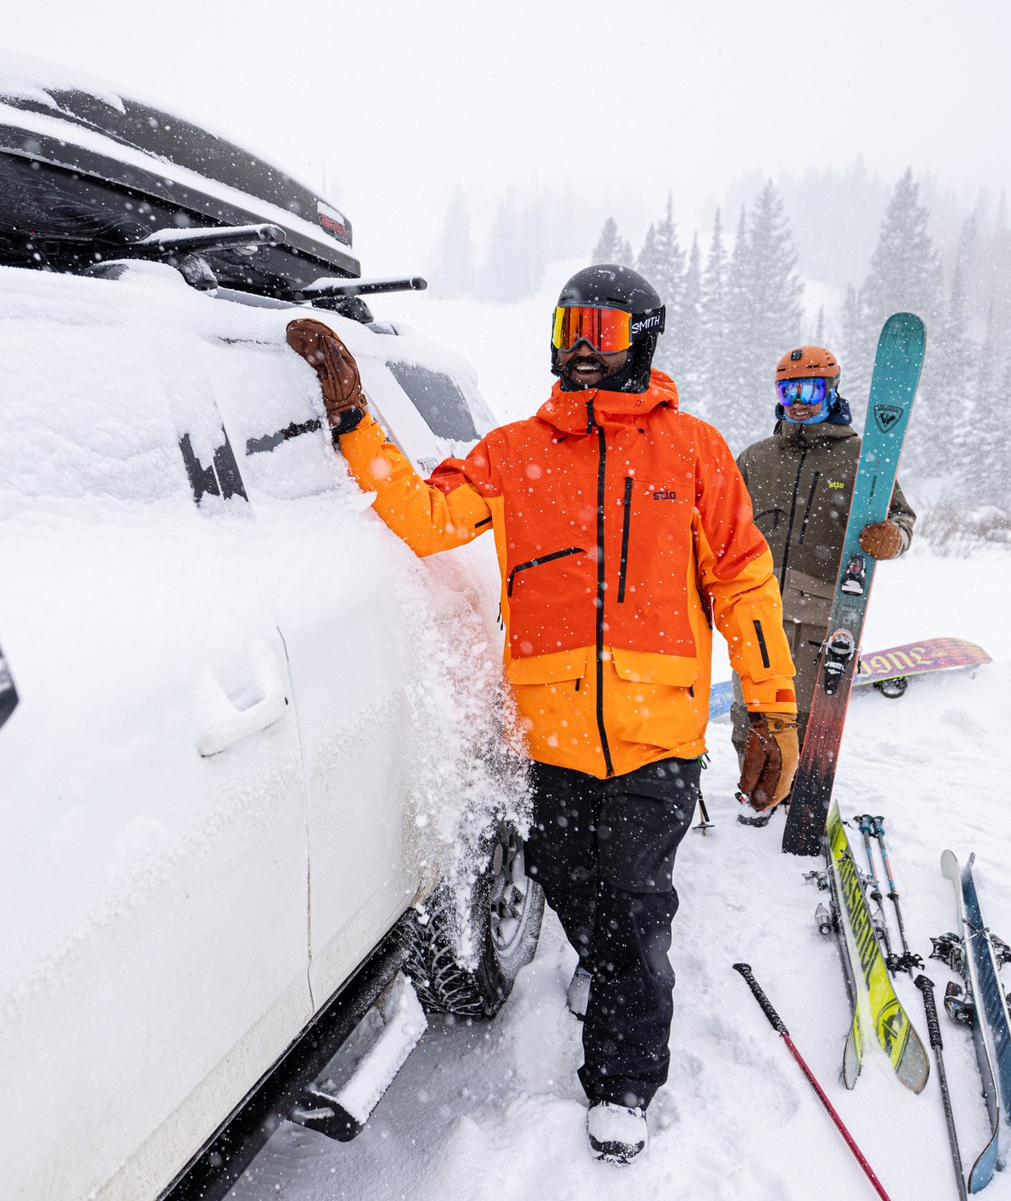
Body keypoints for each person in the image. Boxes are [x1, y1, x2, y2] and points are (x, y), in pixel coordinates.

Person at [284, 264, 799, 1164]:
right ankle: (597, 964)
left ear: (642, 338)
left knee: (639, 906)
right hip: (553, 738)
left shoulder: (696, 453)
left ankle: (624, 1081)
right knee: (571, 879)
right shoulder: (517, 450)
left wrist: (772, 709)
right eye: (570, 328)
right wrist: (356, 423)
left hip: (656, 741)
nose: (581, 349)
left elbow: (745, 582)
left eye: (601, 330)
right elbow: (427, 515)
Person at [728, 345, 916, 824]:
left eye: (810, 388)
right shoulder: (755, 458)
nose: (799, 400)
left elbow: (901, 518)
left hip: (824, 613)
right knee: (750, 711)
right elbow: (721, 523)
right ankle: (760, 795)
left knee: (810, 715)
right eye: (788, 389)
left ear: (832, 390)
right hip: (757, 610)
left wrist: (892, 538)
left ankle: (802, 797)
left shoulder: (862, 456)